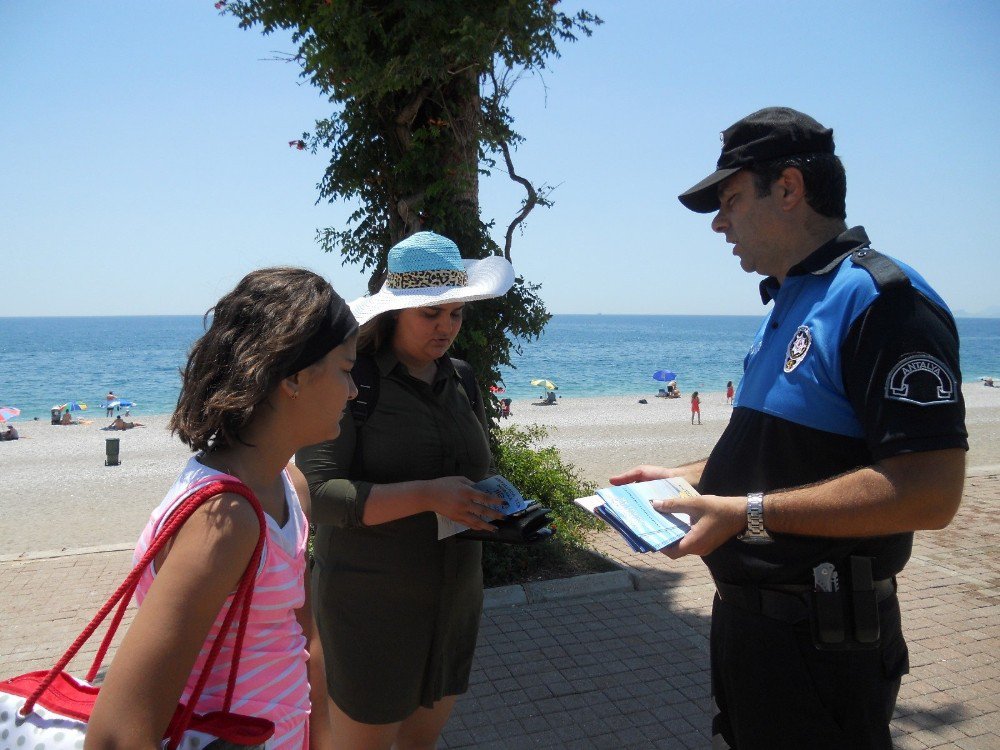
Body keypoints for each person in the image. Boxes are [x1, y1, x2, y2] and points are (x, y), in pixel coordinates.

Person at [613, 108, 967, 750]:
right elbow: (791, 453)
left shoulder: (882, 302)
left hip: (826, 643)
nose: (719, 223)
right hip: (754, 635)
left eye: (729, 199)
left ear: (788, 188)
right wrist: (692, 480)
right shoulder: (790, 299)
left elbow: (929, 492)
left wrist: (746, 513)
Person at [87, 267, 358, 750]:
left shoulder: (289, 487)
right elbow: (116, 733)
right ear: (295, 378)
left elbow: (305, 643)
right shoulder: (227, 519)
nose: (353, 390)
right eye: (345, 368)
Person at [296, 231, 514, 750]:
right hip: (369, 609)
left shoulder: (461, 378)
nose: (447, 328)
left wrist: (497, 502)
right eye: (431, 315)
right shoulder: (353, 380)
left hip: (454, 602)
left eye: (456, 314)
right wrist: (428, 495)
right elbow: (320, 494)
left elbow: (470, 470)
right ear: (396, 313)